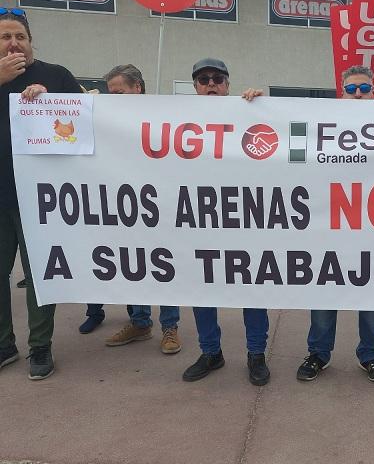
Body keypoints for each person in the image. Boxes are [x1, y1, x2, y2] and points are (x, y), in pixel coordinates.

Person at [77, 64, 183, 355]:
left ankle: (170, 326)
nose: (114, 98)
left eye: (119, 91)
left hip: (160, 206)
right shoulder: (107, 119)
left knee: (162, 267)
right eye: (110, 93)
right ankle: (139, 322)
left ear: (138, 87)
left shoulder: (164, 116)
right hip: (124, 207)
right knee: (132, 266)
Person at [0, 7, 83, 379]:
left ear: (31, 42)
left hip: (39, 196)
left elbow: (84, 121)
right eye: (5, 37)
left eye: (20, 36)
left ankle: (40, 347)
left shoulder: (56, 75)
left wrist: (52, 101)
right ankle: (4, 345)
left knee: (39, 275)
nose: (13, 43)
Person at [296, 65, 374, 383]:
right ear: (342, 93)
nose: (358, 94)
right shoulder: (323, 123)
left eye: (364, 89)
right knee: (325, 293)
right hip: (329, 228)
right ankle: (318, 354)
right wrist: (258, 106)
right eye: (351, 90)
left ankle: (370, 356)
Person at [181, 58, 270, 386]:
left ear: (228, 84)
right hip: (201, 221)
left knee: (253, 291)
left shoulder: (247, 110)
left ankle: (256, 354)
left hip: (245, 220)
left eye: (217, 78)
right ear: (195, 86)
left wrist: (260, 105)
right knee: (203, 292)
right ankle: (211, 352)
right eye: (203, 79)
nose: (211, 84)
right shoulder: (179, 120)